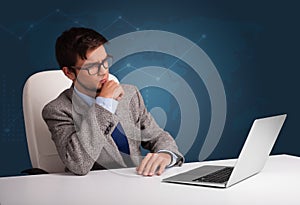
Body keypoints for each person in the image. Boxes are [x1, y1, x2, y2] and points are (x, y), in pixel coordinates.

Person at [42, 27, 184, 176]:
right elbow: (78, 164)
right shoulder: (57, 110)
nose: (103, 71)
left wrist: (166, 154)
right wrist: (104, 104)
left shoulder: (130, 94)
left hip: (139, 182)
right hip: (95, 192)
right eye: (91, 67)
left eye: (105, 61)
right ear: (69, 73)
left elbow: (158, 136)